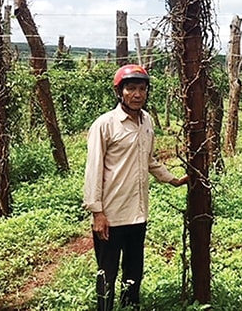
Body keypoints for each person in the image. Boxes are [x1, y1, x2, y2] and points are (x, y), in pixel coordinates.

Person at [83, 64, 188, 311]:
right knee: (107, 274)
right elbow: (94, 169)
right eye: (131, 88)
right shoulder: (105, 124)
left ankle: (130, 307)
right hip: (111, 215)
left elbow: (148, 159)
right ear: (120, 92)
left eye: (142, 88)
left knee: (134, 271)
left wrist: (171, 179)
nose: (137, 94)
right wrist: (97, 212)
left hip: (138, 213)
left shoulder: (147, 121)